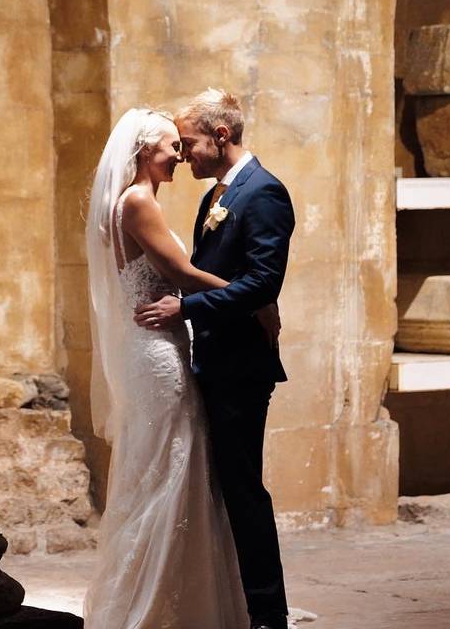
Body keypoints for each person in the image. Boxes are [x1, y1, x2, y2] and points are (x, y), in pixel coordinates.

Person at [83, 107, 252, 628]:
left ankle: (171, 596)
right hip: (159, 352)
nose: (178, 154)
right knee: (172, 464)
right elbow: (179, 271)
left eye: (180, 146)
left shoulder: (129, 202)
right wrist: (253, 298)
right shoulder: (137, 201)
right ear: (141, 153)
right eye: (169, 146)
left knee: (162, 463)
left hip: (151, 343)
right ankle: (158, 605)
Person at [134, 89, 295, 629]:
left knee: (244, 487)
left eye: (191, 144)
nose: (185, 155)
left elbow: (261, 282)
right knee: (223, 485)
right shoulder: (216, 196)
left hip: (243, 366)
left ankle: (269, 612)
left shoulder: (264, 193)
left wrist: (187, 307)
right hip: (214, 359)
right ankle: (235, 602)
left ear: (220, 137)